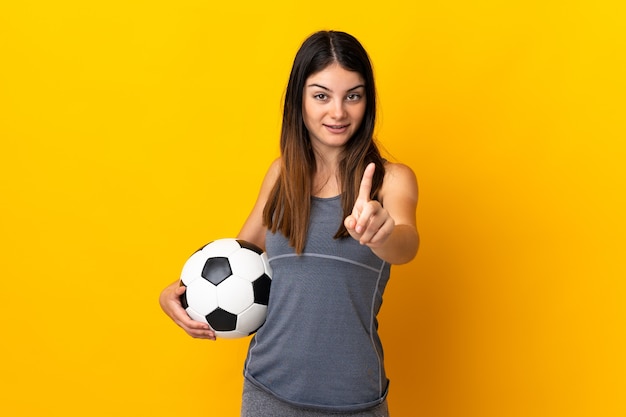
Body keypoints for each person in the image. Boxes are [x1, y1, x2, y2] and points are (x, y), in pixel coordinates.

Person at [159, 30, 419, 416]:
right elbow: (236, 256)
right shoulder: (280, 175)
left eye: (353, 95)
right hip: (268, 392)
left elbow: (406, 243)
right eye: (321, 95)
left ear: (368, 101)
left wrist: (380, 234)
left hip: (355, 399)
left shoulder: (391, 180)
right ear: (299, 100)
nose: (338, 112)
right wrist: (179, 294)